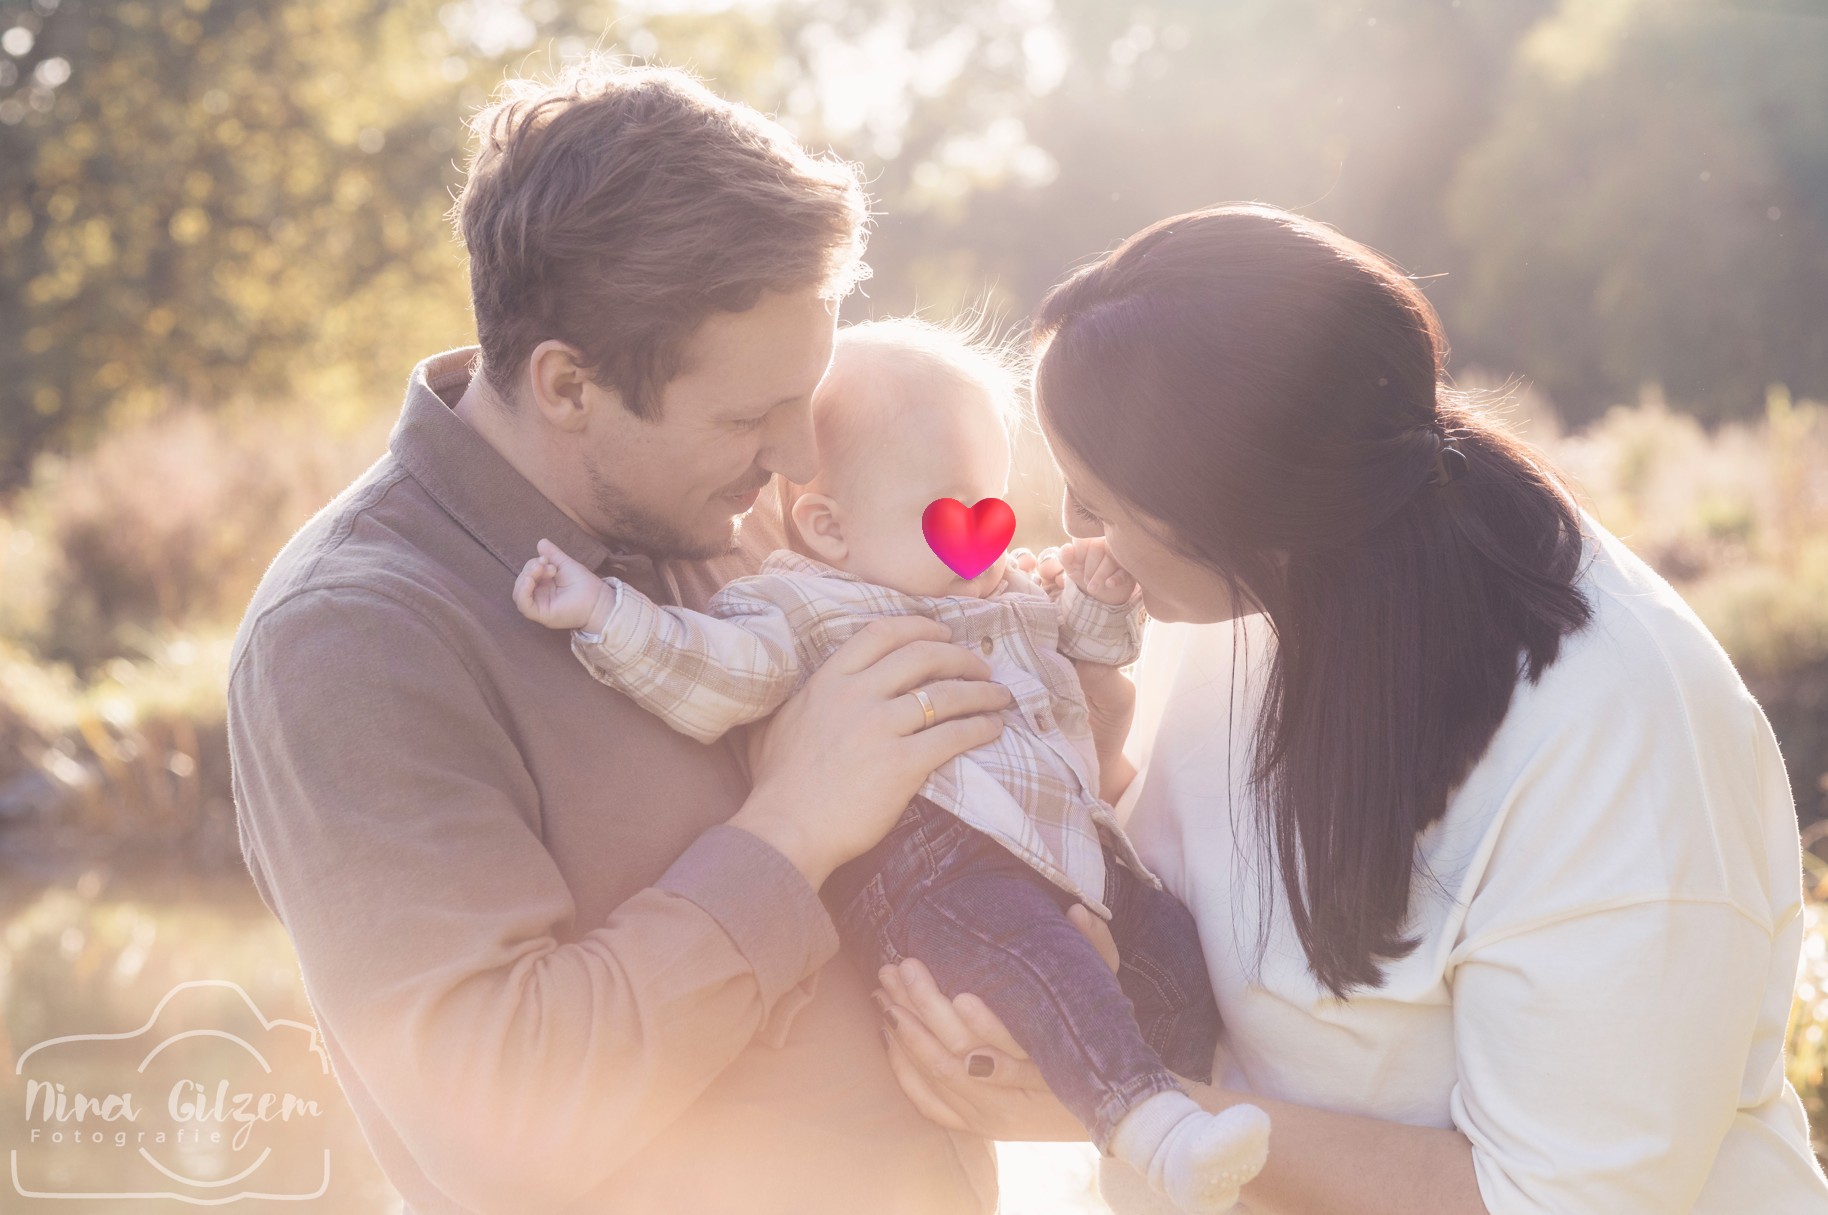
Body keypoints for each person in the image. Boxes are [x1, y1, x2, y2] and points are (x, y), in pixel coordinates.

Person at [872, 204, 1828, 1214]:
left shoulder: (1615, 741)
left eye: (1099, 501)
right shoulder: (1232, 597)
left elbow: (1557, 1200)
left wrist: (1124, 1102)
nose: (1070, 530)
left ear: (1234, 506)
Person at [225, 60, 1014, 1214]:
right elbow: (497, 1120)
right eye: (748, 417)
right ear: (566, 385)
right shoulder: (354, 639)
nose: (798, 461)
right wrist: (789, 830)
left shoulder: (741, 517)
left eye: (807, 395)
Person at [512, 318, 1272, 1213]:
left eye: (991, 504)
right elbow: (716, 669)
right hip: (933, 872)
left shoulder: (1000, 590)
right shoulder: (802, 605)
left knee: (1174, 950)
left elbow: (1086, 647)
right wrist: (603, 612)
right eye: (950, 510)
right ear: (830, 527)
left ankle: (1163, 1125)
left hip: (1065, 848)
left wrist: (1103, 600)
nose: (985, 538)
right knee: (1041, 960)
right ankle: (1149, 1119)